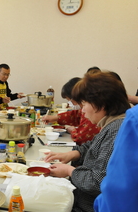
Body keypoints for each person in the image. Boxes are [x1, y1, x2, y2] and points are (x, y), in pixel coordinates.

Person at [44, 72, 131, 212]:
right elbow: (92, 145)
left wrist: (69, 170)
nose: (82, 110)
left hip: (88, 206)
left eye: (84, 103)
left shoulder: (116, 130)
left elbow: (98, 182)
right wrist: (72, 154)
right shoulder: (112, 123)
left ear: (100, 104)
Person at [94, 105, 138, 212]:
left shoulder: (133, 119)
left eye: (84, 103)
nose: (82, 109)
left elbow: (118, 191)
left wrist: (71, 171)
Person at [42, 77, 100, 145]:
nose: (83, 110)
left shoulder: (93, 112)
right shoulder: (88, 108)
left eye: (70, 100)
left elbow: (80, 138)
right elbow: (75, 115)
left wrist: (71, 130)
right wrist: (55, 118)